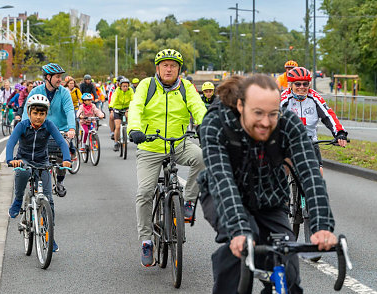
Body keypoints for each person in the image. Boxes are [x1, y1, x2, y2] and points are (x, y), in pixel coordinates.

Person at [199, 74, 337, 293]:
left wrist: (321, 226)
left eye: (272, 114)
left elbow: (310, 174)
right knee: (244, 243)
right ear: (241, 105)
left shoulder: (287, 124)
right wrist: (239, 229)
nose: (265, 122)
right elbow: (222, 179)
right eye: (258, 113)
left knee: (286, 266)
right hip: (222, 194)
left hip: (270, 198)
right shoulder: (216, 124)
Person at [127, 48, 207, 267]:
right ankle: (146, 240)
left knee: (203, 157)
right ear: (158, 68)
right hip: (149, 145)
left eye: (173, 65)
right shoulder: (146, 85)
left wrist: (204, 125)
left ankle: (189, 200)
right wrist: (134, 129)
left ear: (179, 70)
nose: (169, 68)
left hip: (178, 143)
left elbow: (198, 107)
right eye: (165, 65)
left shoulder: (186, 87)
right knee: (144, 192)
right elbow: (135, 108)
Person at [6, 94, 72, 252]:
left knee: (48, 200)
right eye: (35, 113)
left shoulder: (49, 125)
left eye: (42, 114)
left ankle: (50, 236)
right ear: (29, 113)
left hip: (43, 162)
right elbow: (11, 142)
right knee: (22, 172)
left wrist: (67, 158)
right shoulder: (22, 126)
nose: (38, 117)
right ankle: (18, 199)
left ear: (46, 114)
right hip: (24, 160)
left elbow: (62, 142)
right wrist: (10, 159)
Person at [22, 63, 76, 197]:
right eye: (57, 77)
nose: (60, 80)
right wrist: (24, 128)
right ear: (48, 77)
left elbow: (69, 110)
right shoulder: (35, 91)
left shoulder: (64, 93)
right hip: (39, 130)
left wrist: (71, 128)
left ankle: (60, 181)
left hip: (60, 130)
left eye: (60, 77)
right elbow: (26, 111)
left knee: (62, 153)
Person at [280, 67, 347, 175]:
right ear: (290, 85)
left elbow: (329, 116)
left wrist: (340, 133)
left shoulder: (315, 98)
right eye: (297, 84)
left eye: (305, 84)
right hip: (287, 139)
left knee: (318, 172)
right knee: (284, 168)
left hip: (310, 140)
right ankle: (282, 190)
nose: (302, 87)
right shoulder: (283, 98)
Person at [109, 78, 134, 151]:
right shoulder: (117, 91)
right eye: (123, 86)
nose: (125, 88)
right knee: (117, 127)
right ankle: (116, 142)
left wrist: (131, 107)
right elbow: (113, 98)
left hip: (126, 108)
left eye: (126, 86)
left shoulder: (130, 91)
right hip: (118, 109)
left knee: (129, 117)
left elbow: (133, 99)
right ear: (120, 86)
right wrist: (111, 107)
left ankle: (130, 132)